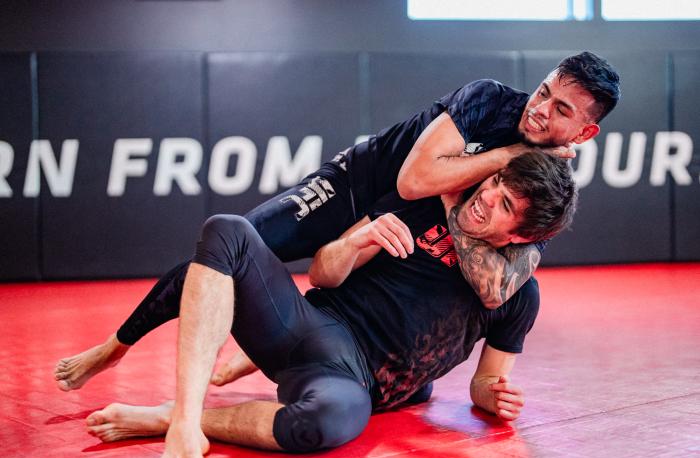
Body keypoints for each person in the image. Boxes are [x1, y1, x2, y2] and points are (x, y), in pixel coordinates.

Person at [54, 51, 619, 392]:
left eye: (561, 110)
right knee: (231, 252)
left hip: (389, 232)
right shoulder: (489, 100)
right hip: (351, 187)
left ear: (585, 133)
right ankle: (116, 346)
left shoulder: (549, 185)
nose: (540, 108)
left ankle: (261, 355)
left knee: (376, 342)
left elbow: (502, 286)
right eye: (545, 90)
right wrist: (509, 157)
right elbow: (412, 181)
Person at [83, 152, 577, 458]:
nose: (486, 198)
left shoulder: (515, 295)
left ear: (524, 236)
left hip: (351, 385)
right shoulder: (422, 206)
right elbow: (323, 273)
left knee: (327, 422)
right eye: (495, 184)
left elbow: (486, 380)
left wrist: (494, 397)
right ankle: (186, 420)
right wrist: (356, 239)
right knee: (229, 229)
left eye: (506, 204)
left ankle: (166, 416)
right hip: (312, 329)